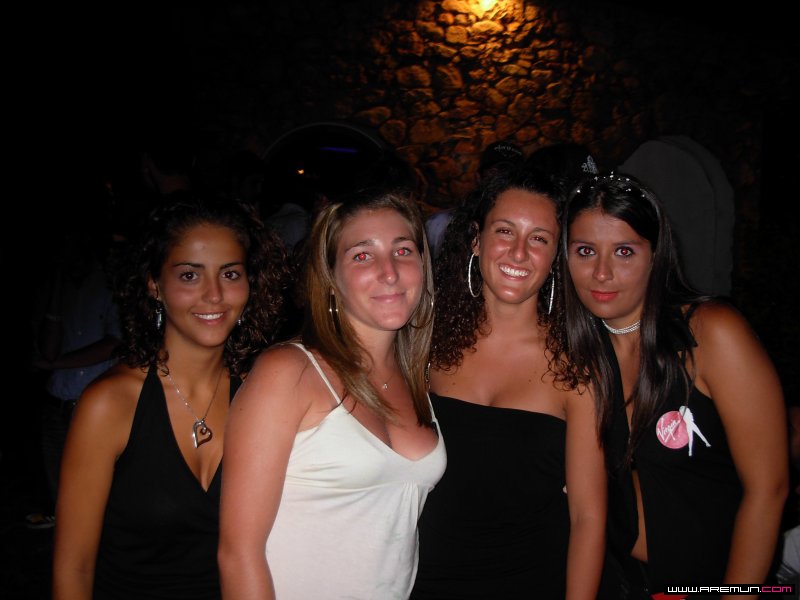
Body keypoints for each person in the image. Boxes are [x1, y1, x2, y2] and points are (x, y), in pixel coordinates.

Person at [558, 172, 788, 598]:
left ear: (655, 255)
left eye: (624, 251)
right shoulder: (575, 354)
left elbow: (768, 488)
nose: (602, 273)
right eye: (585, 251)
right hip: (617, 581)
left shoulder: (710, 333)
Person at [52, 195, 289, 600]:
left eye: (230, 274)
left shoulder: (260, 395)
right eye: (190, 275)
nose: (214, 295)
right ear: (154, 285)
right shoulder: (110, 404)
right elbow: (74, 568)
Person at [218, 185, 446, 599]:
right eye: (362, 255)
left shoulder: (420, 377)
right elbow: (238, 553)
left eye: (403, 250)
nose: (389, 272)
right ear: (331, 278)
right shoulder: (289, 372)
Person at [411, 165, 606, 599]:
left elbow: (589, 517)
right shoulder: (426, 344)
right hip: (423, 583)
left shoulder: (576, 367)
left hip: (532, 584)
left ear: (555, 257)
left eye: (539, 238)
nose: (519, 253)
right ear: (476, 240)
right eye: (505, 231)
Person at [27, 214, 121, 529]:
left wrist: (55, 364)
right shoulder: (52, 289)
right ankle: (66, 531)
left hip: (94, 403)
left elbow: (114, 344)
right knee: (59, 480)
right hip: (57, 401)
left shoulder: (109, 286)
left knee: (99, 483)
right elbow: (47, 350)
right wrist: (55, 290)